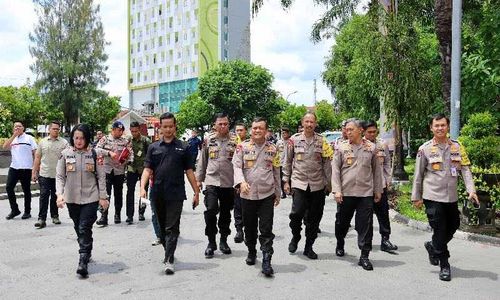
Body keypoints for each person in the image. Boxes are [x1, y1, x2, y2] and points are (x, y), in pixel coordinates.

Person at [411, 113, 478, 281]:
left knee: (454, 225)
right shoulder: (424, 149)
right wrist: (416, 197)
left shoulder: (457, 146)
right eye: (436, 125)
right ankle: (444, 264)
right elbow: (418, 175)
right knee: (440, 229)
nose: (440, 128)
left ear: (447, 127)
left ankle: (433, 246)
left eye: (443, 125)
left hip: (451, 196)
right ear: (431, 128)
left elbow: (465, 169)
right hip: (432, 196)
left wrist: (472, 190)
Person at [140, 112, 200, 275]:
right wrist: (142, 188)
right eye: (165, 126)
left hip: (176, 193)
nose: (168, 129)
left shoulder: (183, 147)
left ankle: (169, 259)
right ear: (160, 127)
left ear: (175, 127)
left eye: (171, 126)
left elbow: (189, 171)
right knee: (161, 227)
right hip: (157, 193)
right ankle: (168, 252)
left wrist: (196, 191)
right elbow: (147, 169)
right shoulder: (153, 148)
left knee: (171, 227)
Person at [55, 123, 108, 277]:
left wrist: (103, 197)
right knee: (79, 227)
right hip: (72, 198)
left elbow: (101, 177)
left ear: (87, 138)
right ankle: (87, 249)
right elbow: (59, 176)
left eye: (82, 138)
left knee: (84, 227)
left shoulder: (95, 153)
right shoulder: (65, 154)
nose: (79, 141)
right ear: (72, 138)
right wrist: (59, 195)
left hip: (91, 197)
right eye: (76, 138)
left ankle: (83, 260)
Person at [232, 117, 281, 277]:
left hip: (267, 194)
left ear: (266, 131)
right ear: (251, 130)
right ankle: (252, 251)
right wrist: (241, 182)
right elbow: (237, 166)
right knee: (250, 228)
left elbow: (276, 172)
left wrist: (278, 192)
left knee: (266, 229)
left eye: (260, 128)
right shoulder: (242, 147)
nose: (257, 131)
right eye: (254, 128)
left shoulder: (273, 149)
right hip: (248, 195)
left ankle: (267, 259)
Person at [332, 119, 383, 271]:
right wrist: (337, 190)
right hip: (346, 193)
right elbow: (335, 170)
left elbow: (377, 171)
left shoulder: (371, 148)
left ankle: (364, 255)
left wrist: (378, 190)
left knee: (365, 225)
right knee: (342, 222)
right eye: (346, 130)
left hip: (365, 193)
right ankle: (340, 242)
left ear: (360, 130)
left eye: (351, 130)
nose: (348, 132)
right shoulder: (341, 148)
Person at [283, 113, 333, 259]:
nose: (309, 124)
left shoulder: (322, 141)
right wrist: (286, 181)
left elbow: (327, 164)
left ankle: (309, 246)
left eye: (312, 122)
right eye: (307, 121)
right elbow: (287, 161)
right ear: (302, 122)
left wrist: (329, 183)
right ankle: (296, 236)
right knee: (296, 214)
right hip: (299, 183)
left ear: (316, 124)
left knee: (314, 218)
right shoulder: (293, 140)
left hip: (317, 185)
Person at [196, 113, 238, 258]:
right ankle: (211, 242)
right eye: (220, 124)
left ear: (228, 124)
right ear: (214, 125)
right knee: (211, 210)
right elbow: (203, 160)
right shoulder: (208, 140)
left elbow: (240, 162)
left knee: (226, 214)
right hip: (212, 181)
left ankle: (223, 241)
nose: (223, 126)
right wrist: (198, 180)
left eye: (225, 124)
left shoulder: (235, 140)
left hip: (229, 182)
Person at [362, 120, 398, 253]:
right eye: (369, 132)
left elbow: (387, 163)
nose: (372, 134)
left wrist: (388, 179)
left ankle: (385, 239)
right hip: (365, 187)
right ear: (363, 132)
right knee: (366, 216)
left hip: (380, 185)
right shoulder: (360, 145)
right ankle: (366, 241)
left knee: (383, 214)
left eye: (374, 131)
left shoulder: (382, 145)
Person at [95, 121, 133, 226]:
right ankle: (104, 216)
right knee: (106, 194)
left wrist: (128, 160)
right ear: (113, 130)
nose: (120, 132)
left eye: (122, 130)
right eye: (118, 130)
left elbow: (130, 153)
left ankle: (117, 215)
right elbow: (96, 150)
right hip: (107, 170)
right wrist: (108, 153)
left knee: (118, 194)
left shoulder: (125, 141)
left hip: (119, 171)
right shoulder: (105, 139)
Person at [32, 121, 68, 228]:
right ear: (49, 129)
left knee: (55, 197)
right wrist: (34, 171)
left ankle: (55, 216)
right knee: (43, 196)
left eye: (57, 129)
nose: (56, 130)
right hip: (44, 174)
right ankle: (41, 219)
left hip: (58, 175)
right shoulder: (42, 142)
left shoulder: (64, 143)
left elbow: (68, 158)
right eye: (54, 129)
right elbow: (37, 158)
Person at [4, 121, 38, 220]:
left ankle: (27, 211)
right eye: (15, 127)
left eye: (19, 126)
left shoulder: (29, 138)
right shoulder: (12, 139)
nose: (17, 128)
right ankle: (14, 210)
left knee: (26, 190)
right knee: (9, 187)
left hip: (26, 168)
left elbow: (35, 153)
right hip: (14, 167)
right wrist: (13, 135)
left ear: (23, 128)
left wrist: (35, 169)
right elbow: (5, 147)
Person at [125, 121, 151, 224]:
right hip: (132, 169)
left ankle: (142, 212)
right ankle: (129, 215)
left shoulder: (146, 141)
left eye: (135, 131)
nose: (134, 133)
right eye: (132, 131)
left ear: (139, 130)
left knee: (144, 191)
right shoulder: (128, 140)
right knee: (129, 192)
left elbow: (150, 155)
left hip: (144, 170)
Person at [233, 122, 247, 243]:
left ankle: (248, 228)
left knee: (247, 207)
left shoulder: (249, 144)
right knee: (237, 206)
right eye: (237, 130)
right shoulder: (232, 144)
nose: (239, 133)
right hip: (235, 180)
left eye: (241, 130)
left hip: (249, 181)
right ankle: (239, 229)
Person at [276, 127, 291, 199]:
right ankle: (284, 193)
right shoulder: (279, 142)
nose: (283, 134)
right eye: (282, 133)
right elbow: (276, 151)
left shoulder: (291, 141)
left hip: (289, 163)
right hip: (281, 163)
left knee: (290, 177)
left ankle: (290, 190)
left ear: (288, 133)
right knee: (282, 178)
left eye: (285, 133)